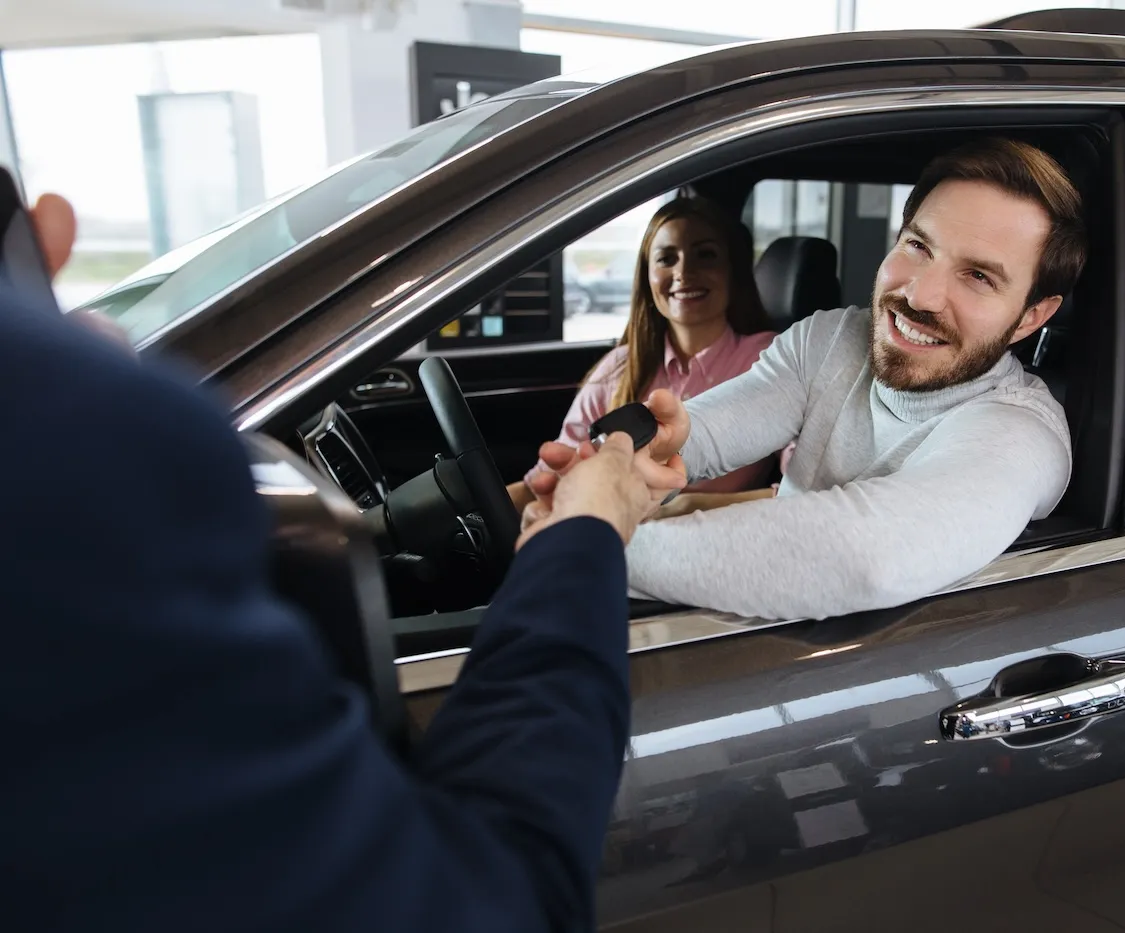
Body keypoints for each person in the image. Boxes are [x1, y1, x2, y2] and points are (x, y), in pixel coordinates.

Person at [3, 197, 684, 930]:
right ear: (43, 236)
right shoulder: (70, 449)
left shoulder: (71, 447)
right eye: (667, 256)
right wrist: (584, 527)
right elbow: (488, 902)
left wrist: (582, 526)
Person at [526, 137, 1086, 621]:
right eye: (918, 246)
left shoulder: (1021, 432)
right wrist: (600, 480)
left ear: (1033, 315)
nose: (919, 295)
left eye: (979, 276)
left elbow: (871, 557)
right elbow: (697, 437)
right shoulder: (833, 339)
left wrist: (582, 542)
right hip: (741, 636)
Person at [510, 195, 786, 519]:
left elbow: (802, 491)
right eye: (667, 258)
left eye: (705, 255)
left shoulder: (768, 358)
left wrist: (684, 507)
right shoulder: (621, 365)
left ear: (732, 272)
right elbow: (549, 477)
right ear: (648, 277)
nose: (683, 272)